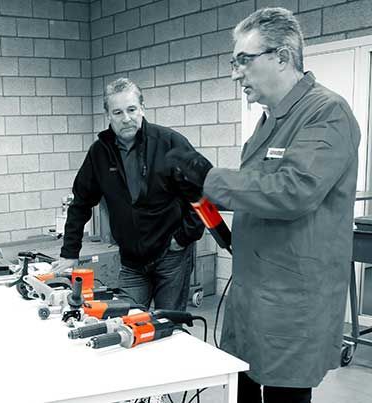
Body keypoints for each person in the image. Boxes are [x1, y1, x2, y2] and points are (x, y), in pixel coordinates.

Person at [165, 8, 361, 403]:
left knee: (284, 395)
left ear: (282, 57)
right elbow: (254, 193)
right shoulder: (269, 121)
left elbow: (294, 190)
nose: (235, 73)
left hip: (292, 298)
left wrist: (210, 178)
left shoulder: (326, 113)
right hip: (253, 291)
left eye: (243, 60)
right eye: (233, 62)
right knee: (243, 387)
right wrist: (202, 196)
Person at [51, 77, 205, 311]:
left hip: (171, 256)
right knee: (127, 319)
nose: (126, 118)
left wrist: (183, 237)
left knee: (168, 322)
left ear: (142, 108)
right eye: (118, 112)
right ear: (108, 115)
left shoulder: (169, 143)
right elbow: (80, 203)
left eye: (131, 109)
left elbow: (202, 192)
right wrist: (70, 253)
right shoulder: (100, 153)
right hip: (132, 261)